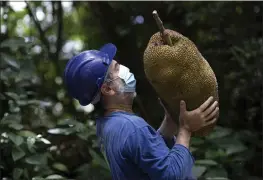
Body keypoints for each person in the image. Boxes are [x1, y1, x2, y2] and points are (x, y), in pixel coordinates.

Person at [63, 43, 219, 180]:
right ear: (108, 89)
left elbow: (144, 153)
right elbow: (171, 175)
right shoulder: (133, 127)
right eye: (117, 68)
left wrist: (169, 122)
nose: (124, 69)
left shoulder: (109, 126)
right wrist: (185, 130)